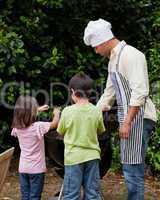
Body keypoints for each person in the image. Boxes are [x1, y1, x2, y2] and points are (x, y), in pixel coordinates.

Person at [83, 19, 157, 200]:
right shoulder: (113, 61)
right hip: (129, 119)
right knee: (129, 167)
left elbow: (140, 92)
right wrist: (88, 114)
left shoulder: (131, 55)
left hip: (138, 119)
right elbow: (109, 94)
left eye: (96, 47)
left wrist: (127, 122)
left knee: (133, 170)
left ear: (104, 41)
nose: (96, 51)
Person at [57, 72, 105, 200]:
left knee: (71, 195)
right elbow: (100, 131)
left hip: (73, 158)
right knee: (92, 194)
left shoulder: (67, 111)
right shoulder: (96, 111)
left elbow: (60, 132)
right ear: (90, 92)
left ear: (72, 91)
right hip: (93, 157)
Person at [11, 95, 60, 200]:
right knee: (35, 197)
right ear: (32, 112)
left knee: (25, 196)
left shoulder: (17, 127)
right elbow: (55, 124)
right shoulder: (38, 126)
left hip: (23, 168)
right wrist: (57, 113)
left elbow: (23, 114)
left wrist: (37, 109)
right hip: (37, 170)